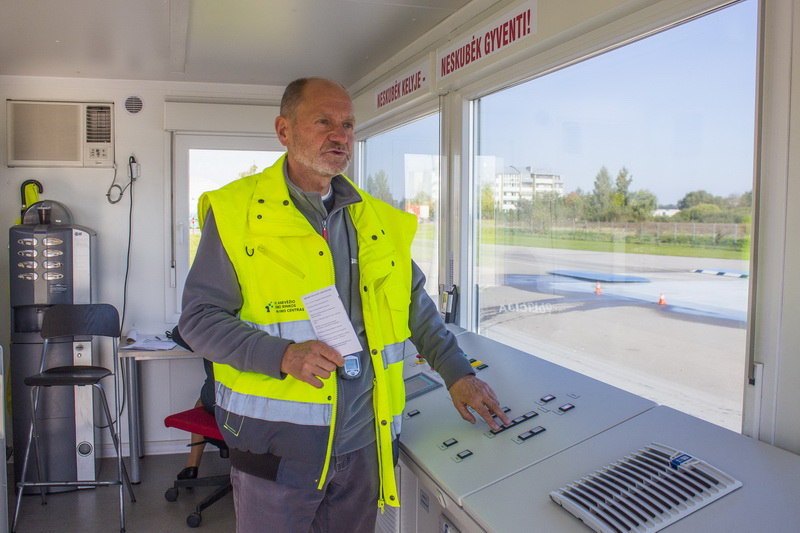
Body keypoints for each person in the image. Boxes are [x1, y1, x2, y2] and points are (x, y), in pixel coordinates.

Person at [179, 77, 510, 533]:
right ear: (284, 130)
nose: (340, 136)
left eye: (349, 125)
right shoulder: (236, 213)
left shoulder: (375, 220)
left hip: (363, 445)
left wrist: (458, 373)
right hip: (277, 452)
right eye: (324, 122)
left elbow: (416, 306)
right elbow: (198, 320)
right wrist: (283, 355)